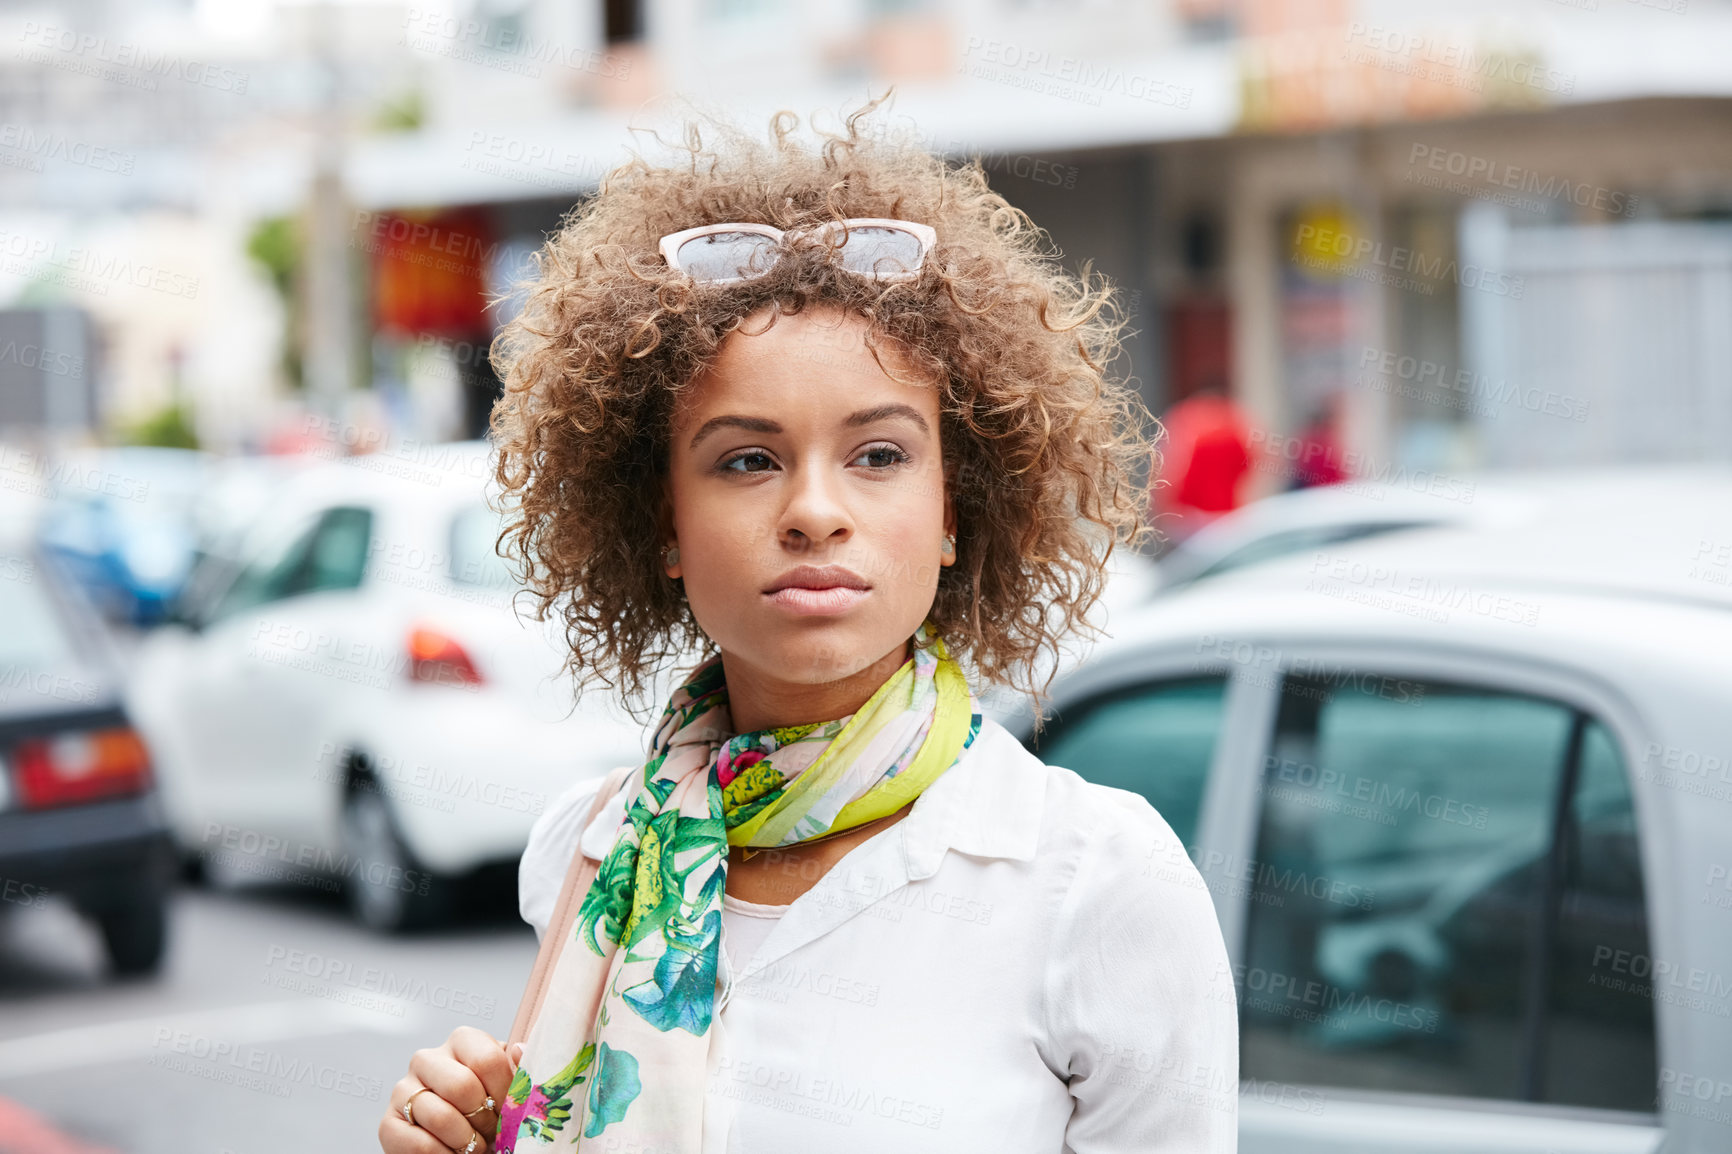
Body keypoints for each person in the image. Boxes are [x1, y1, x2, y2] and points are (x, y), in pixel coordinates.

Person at [378, 97, 1237, 1154]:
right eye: (747, 459)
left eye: (878, 455)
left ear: (954, 513)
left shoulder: (1097, 881)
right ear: (663, 526)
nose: (814, 509)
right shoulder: (591, 849)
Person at [1150, 378, 1253, 543]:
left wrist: (1161, 510)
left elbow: (1172, 471)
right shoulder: (1234, 419)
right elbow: (1251, 462)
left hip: (1191, 518)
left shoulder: (1186, 418)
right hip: (1228, 515)